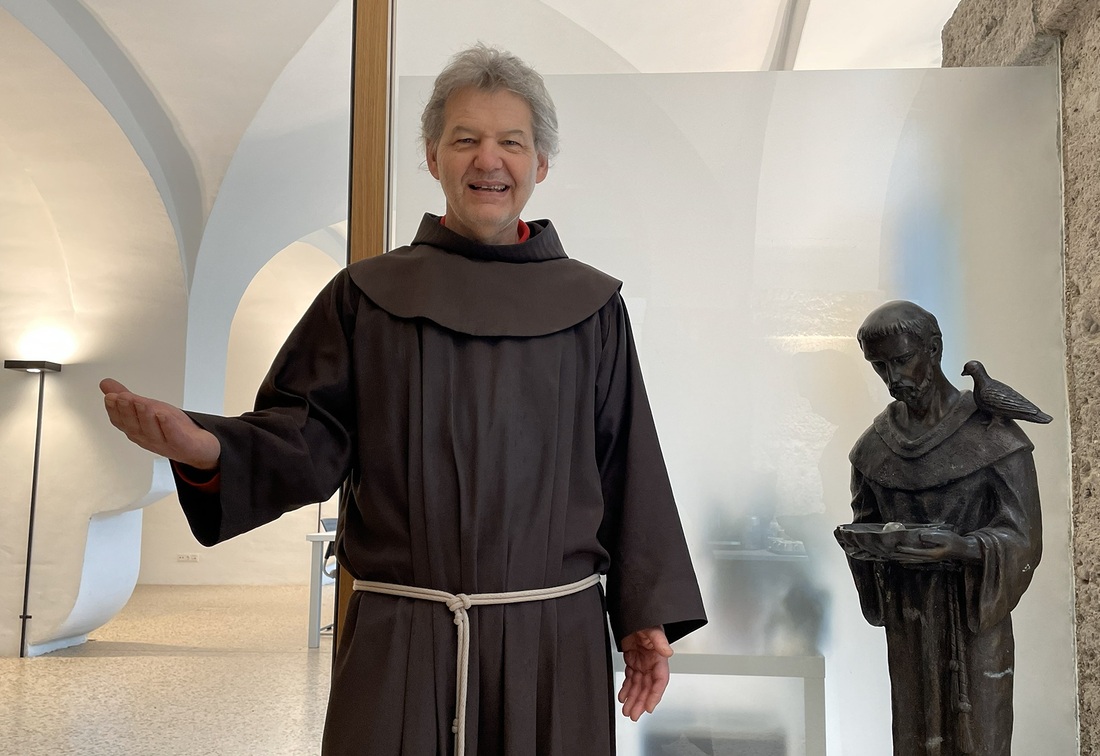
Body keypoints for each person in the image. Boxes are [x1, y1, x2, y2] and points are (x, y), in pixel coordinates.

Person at [101, 44, 706, 756]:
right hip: (403, 638)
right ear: (432, 156)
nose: (488, 159)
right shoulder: (365, 298)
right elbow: (306, 436)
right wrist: (210, 450)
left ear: (541, 163)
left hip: (551, 642)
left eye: (511, 142)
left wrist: (643, 616)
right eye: (465, 139)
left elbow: (628, 466)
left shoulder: (592, 308)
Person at [835, 300, 1042, 756]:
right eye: (879, 367)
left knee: (980, 736)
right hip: (910, 619)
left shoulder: (994, 436)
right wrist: (863, 545)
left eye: (902, 360)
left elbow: (1023, 539)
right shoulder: (873, 448)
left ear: (934, 349)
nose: (893, 378)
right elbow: (866, 527)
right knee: (914, 732)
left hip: (972, 617)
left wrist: (963, 549)